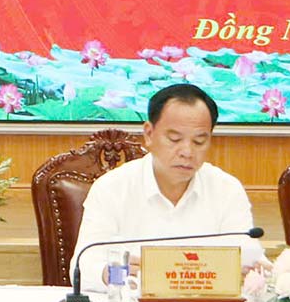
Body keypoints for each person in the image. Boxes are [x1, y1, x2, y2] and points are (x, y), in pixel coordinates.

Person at [70, 84, 263, 287]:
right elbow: (83, 264)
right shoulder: (112, 188)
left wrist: (256, 273)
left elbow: (249, 257)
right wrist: (112, 274)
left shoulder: (227, 189)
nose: (187, 152)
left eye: (199, 141)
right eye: (174, 139)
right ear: (149, 134)